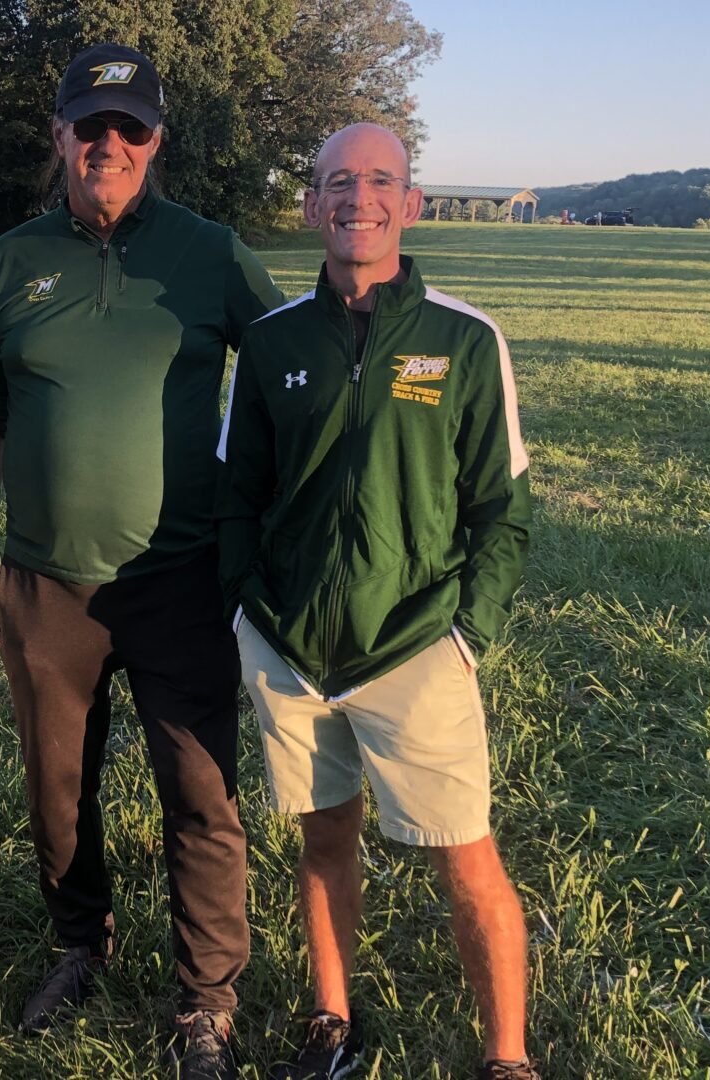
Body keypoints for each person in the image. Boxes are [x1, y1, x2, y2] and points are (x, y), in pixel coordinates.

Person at [0, 42, 283, 1079]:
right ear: (59, 138)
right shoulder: (8, 261)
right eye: (87, 128)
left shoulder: (209, 252)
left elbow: (286, 372)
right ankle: (78, 940)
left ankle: (206, 1000)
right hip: (45, 581)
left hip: (181, 576)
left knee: (200, 789)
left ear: (155, 143)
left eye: (128, 130)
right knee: (58, 789)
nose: (107, 145)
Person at [217, 123, 541, 1080]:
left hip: (417, 647)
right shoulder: (271, 343)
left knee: (467, 858)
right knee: (325, 842)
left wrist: (467, 636)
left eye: (380, 181)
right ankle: (332, 1020)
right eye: (337, 182)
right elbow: (238, 495)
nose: (358, 197)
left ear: (412, 203)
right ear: (312, 205)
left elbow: (503, 512)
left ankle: (507, 1059)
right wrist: (250, 615)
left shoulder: (465, 339)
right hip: (294, 651)